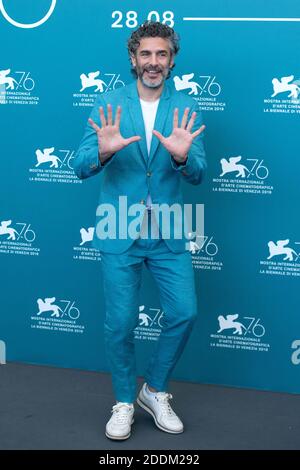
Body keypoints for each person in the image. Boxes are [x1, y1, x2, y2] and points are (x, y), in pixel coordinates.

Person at [74, 21, 206, 440]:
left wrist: (185, 159)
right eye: (145, 54)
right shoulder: (108, 105)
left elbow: (199, 174)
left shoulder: (185, 107)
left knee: (185, 312)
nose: (153, 62)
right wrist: (102, 149)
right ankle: (123, 401)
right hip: (119, 230)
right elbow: (78, 167)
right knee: (121, 324)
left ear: (171, 61)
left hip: (168, 231)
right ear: (133, 59)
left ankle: (154, 389)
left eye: (161, 54)